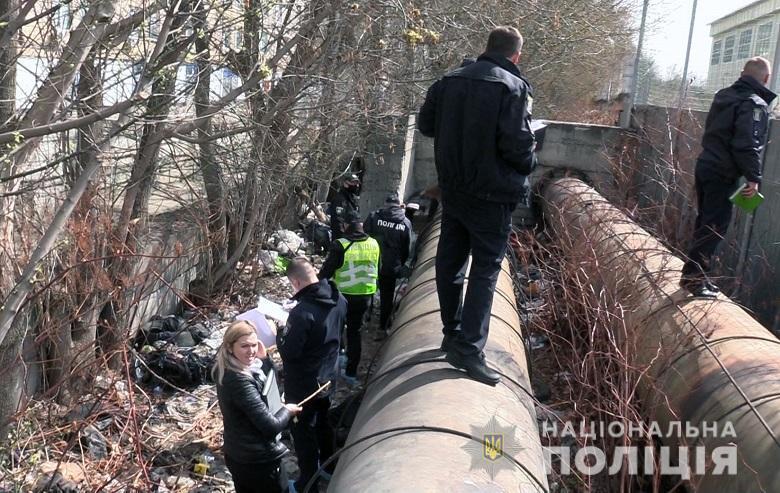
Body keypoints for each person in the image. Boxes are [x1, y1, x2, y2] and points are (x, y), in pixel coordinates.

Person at [418, 26, 537, 385]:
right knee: (485, 270)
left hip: (454, 191)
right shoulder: (513, 87)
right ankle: (469, 349)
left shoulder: (448, 80)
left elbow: (425, 125)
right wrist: (531, 156)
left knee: (450, 262)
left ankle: (451, 332)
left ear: (486, 47)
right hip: (492, 197)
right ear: (515, 55)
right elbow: (517, 146)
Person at [681, 57, 776, 298]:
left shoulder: (723, 95)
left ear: (743, 73)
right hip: (722, 172)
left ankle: (697, 275)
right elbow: (746, 144)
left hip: (706, 165)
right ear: (765, 78)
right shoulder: (753, 104)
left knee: (705, 222)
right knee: (714, 226)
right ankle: (693, 280)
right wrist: (753, 178)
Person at [278, 257, 347, 492]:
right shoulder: (339, 299)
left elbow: (289, 351)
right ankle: (329, 464)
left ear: (296, 282)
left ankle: (308, 482)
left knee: (302, 431)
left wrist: (280, 332)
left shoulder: (301, 313)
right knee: (324, 421)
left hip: (303, 385)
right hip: (328, 376)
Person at [213, 321, 302, 493]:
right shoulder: (239, 381)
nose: (251, 351)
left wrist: (265, 361)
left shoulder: (235, 367)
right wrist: (288, 410)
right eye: (244, 346)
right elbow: (271, 427)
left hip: (240, 454)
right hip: (256, 461)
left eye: (254, 344)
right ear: (230, 347)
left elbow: (271, 389)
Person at [318, 214, 380, 386]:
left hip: (342, 296)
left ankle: (338, 360)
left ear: (346, 226)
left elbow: (326, 273)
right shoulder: (374, 243)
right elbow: (377, 267)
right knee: (355, 331)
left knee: (337, 329)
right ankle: (351, 372)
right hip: (365, 296)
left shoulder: (341, 245)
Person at [364, 193, 412, 338]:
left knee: (367, 290)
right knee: (387, 296)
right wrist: (400, 263)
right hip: (391, 266)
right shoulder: (405, 223)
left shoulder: (374, 217)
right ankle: (383, 326)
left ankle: (365, 317)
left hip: (371, 261)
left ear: (386, 204)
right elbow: (406, 248)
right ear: (399, 205)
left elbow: (364, 236)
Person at [328, 174, 361, 239]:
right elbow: (338, 221)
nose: (356, 185)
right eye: (353, 183)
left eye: (357, 183)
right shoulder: (340, 199)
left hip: (353, 235)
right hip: (342, 237)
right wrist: (344, 237)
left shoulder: (353, 199)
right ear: (345, 184)